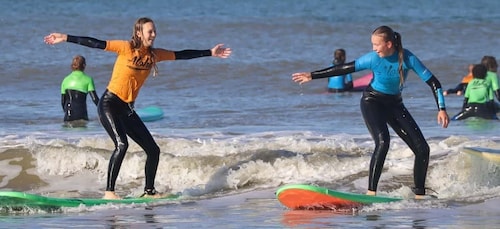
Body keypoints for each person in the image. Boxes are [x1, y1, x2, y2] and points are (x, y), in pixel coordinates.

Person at [44, 17, 232, 199]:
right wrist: (65, 37)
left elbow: (181, 54)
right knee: (122, 144)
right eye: (150, 31)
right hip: (109, 104)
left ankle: (149, 191)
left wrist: (210, 52)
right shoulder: (125, 48)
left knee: (153, 150)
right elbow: (95, 43)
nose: (154, 34)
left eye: (155, 31)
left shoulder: (154, 55)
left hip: (126, 109)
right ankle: (109, 192)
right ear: (139, 33)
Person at [292, 25, 449, 199]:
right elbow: (345, 68)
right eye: (372, 45)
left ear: (389, 44)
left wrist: (441, 109)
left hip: (395, 104)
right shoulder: (372, 59)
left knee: (422, 149)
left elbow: (434, 82)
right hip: (372, 101)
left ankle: (419, 195)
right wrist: (312, 75)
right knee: (383, 141)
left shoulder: (407, 58)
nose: (373, 48)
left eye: (376, 44)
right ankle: (371, 193)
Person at [61, 55, 99, 127]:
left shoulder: (65, 80)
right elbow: (95, 99)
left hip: (68, 116)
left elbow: (63, 102)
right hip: (81, 115)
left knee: (67, 137)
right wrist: (103, 111)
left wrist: (66, 111)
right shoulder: (88, 79)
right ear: (84, 65)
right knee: (82, 135)